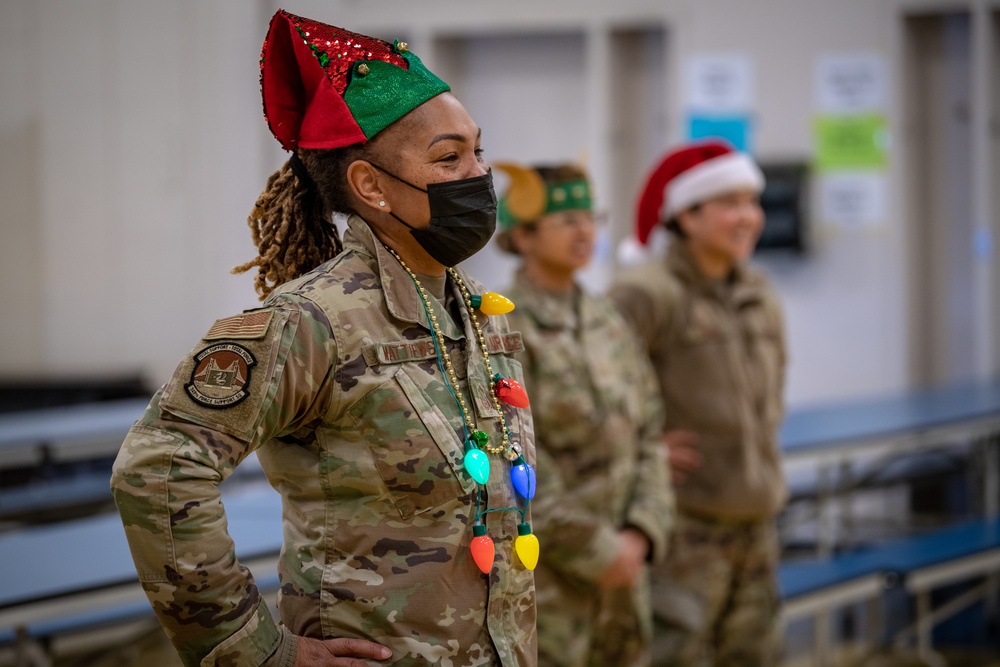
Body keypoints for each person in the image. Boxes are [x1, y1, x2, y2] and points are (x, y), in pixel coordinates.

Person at [110, 10, 537, 667]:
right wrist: (249, 647)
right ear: (371, 186)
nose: (479, 175)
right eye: (448, 158)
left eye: (478, 150)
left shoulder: (482, 310)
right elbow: (159, 466)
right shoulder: (312, 321)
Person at [607, 139, 788, 666]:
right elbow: (595, 396)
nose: (748, 217)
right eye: (729, 203)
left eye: (751, 202)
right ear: (686, 216)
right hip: (682, 527)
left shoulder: (758, 291)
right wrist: (644, 454)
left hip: (755, 521)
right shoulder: (645, 294)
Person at [494, 162, 674, 667]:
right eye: (565, 219)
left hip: (627, 570)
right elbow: (513, 455)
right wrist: (598, 550)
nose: (584, 231)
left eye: (588, 216)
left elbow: (651, 432)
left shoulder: (606, 319)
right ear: (524, 237)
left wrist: (643, 530)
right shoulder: (502, 326)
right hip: (549, 579)